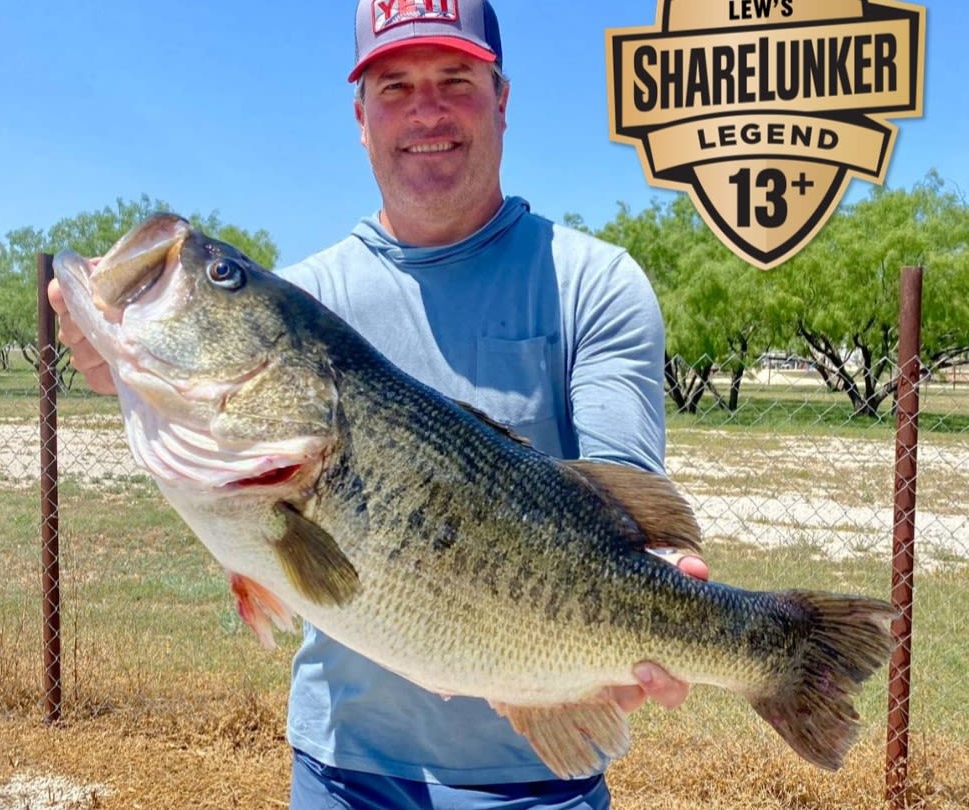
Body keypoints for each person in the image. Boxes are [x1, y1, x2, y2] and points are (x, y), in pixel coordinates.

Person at [49, 1, 709, 807]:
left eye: (454, 80)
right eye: (394, 86)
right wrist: (124, 369)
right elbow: (241, 495)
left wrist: (671, 588)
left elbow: (628, 503)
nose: (425, 110)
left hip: (541, 780)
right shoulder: (313, 293)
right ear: (360, 117)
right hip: (345, 773)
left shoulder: (595, 284)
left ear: (502, 99)